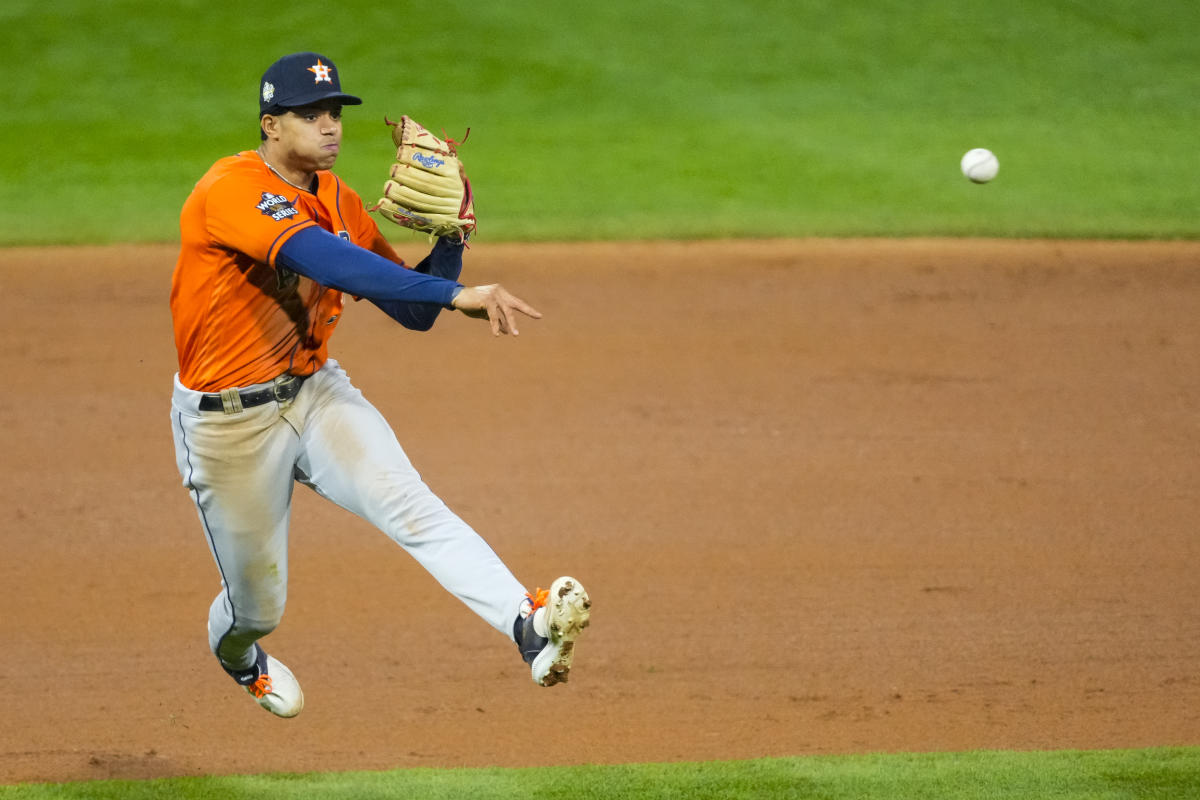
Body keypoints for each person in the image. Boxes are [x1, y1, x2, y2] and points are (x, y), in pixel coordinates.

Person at [168, 51, 590, 718]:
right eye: (311, 115)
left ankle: (524, 623)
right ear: (271, 124)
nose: (330, 125)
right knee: (258, 606)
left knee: (410, 505)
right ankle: (240, 657)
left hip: (312, 392)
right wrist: (456, 293)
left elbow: (412, 311)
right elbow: (322, 257)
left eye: (335, 111)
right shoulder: (230, 189)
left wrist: (451, 237)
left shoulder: (339, 200)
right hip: (229, 423)